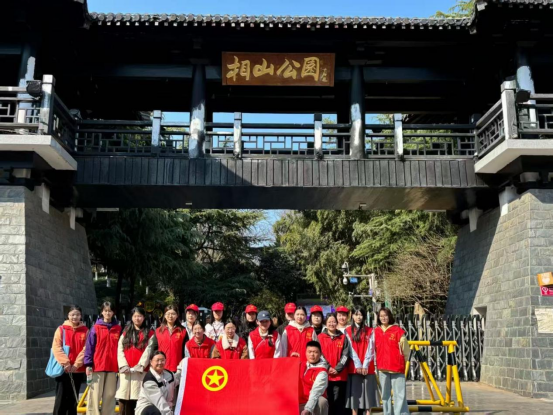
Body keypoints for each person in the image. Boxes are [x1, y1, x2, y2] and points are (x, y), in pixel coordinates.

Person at [116, 307, 155, 415]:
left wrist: (141, 365)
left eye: (140, 316)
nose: (137, 318)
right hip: (126, 371)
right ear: (132, 317)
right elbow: (120, 349)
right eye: (135, 316)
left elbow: (149, 350)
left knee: (138, 397)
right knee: (123, 397)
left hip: (140, 372)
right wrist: (123, 365)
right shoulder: (125, 332)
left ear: (144, 317)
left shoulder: (150, 333)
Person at [85, 301, 122, 415]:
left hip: (112, 366)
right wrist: (88, 364)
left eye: (110, 311)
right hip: (97, 366)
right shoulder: (95, 328)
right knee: (94, 395)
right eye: (105, 311)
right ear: (101, 312)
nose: (107, 313)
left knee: (110, 395)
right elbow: (89, 347)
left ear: (113, 312)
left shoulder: (118, 329)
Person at [52, 305, 88, 415]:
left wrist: (77, 364)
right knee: (61, 398)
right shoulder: (61, 329)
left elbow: (86, 349)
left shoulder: (85, 330)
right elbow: (56, 347)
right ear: (68, 315)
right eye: (72, 315)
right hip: (63, 369)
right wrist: (66, 363)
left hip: (77, 370)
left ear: (81, 316)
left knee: (73, 398)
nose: (75, 317)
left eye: (77, 314)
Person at [374, 308, 410, 415]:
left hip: (397, 367)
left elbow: (405, 348)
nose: (383, 318)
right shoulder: (376, 331)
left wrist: (404, 361)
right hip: (382, 368)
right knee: (385, 395)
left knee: (399, 394)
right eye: (381, 316)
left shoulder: (397, 330)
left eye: (385, 315)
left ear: (389, 316)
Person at [345, 308, 378, 415]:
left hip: (368, 366)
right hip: (354, 366)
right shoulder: (348, 330)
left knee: (368, 392)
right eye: (356, 314)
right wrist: (358, 364)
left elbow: (371, 348)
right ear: (352, 316)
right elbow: (350, 348)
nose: (358, 317)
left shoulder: (370, 330)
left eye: (361, 315)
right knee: (355, 394)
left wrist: (365, 365)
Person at [318, 313, 349, 415]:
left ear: (337, 322)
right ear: (325, 323)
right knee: (327, 401)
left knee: (339, 402)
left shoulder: (343, 337)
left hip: (340, 376)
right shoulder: (320, 337)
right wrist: (328, 367)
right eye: (329, 322)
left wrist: (338, 368)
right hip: (325, 375)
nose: (332, 324)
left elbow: (345, 355)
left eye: (334, 322)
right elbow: (319, 354)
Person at [152, 305, 186, 373]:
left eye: (173, 314)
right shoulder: (158, 331)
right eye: (168, 313)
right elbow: (154, 348)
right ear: (164, 315)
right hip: (161, 367)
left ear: (177, 315)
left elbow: (185, 350)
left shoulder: (183, 331)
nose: (170, 316)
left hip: (178, 367)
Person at [299, 341, 329, 415]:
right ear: (305, 352)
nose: (312, 354)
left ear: (320, 354)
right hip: (298, 401)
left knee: (322, 401)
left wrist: (307, 409)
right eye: (309, 352)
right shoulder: (300, 365)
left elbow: (316, 392)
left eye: (315, 352)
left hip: (313, 403)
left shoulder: (322, 372)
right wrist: (292, 360)